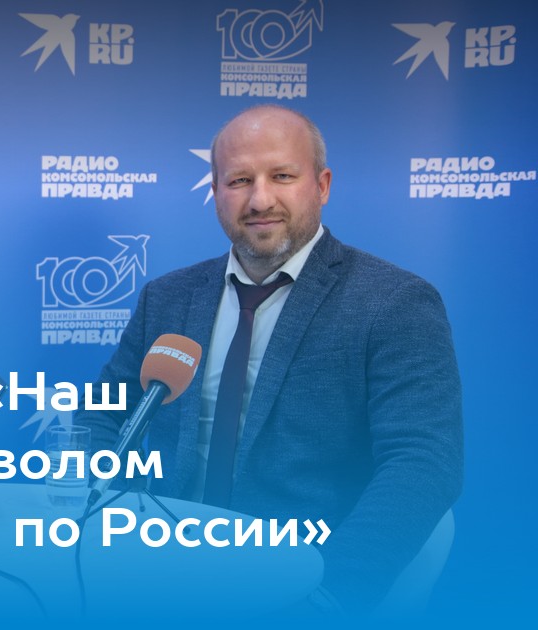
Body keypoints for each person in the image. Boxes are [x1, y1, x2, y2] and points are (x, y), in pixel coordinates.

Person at [77, 104, 463, 612]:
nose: (260, 200)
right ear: (215, 192)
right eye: (239, 180)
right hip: (165, 566)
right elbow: (102, 415)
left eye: (282, 176)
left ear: (322, 185)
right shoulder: (167, 298)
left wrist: (329, 596)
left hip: (302, 577)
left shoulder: (394, 302)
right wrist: (123, 519)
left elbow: (423, 462)